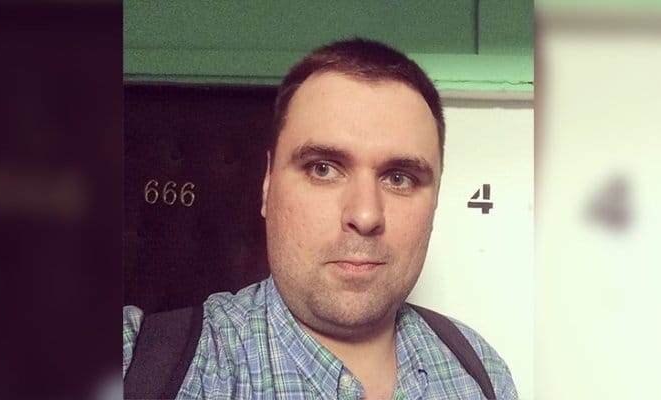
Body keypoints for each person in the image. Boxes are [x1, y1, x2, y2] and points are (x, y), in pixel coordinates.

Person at [123, 38, 517, 399]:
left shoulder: (480, 372)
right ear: (267, 185)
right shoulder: (142, 363)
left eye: (399, 178)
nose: (365, 215)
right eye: (323, 168)